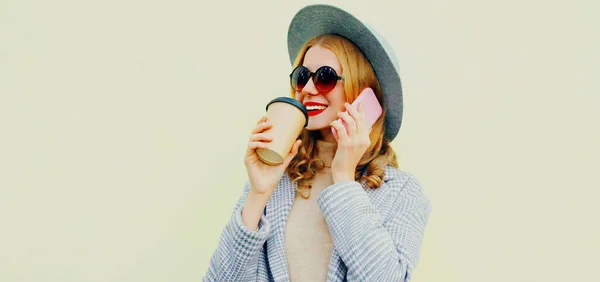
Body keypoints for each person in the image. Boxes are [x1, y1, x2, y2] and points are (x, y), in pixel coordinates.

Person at [204, 4, 431, 282]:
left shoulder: (402, 192)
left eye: (325, 77)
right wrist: (258, 194)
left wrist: (344, 178)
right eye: (302, 76)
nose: (308, 89)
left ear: (364, 94)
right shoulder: (280, 181)